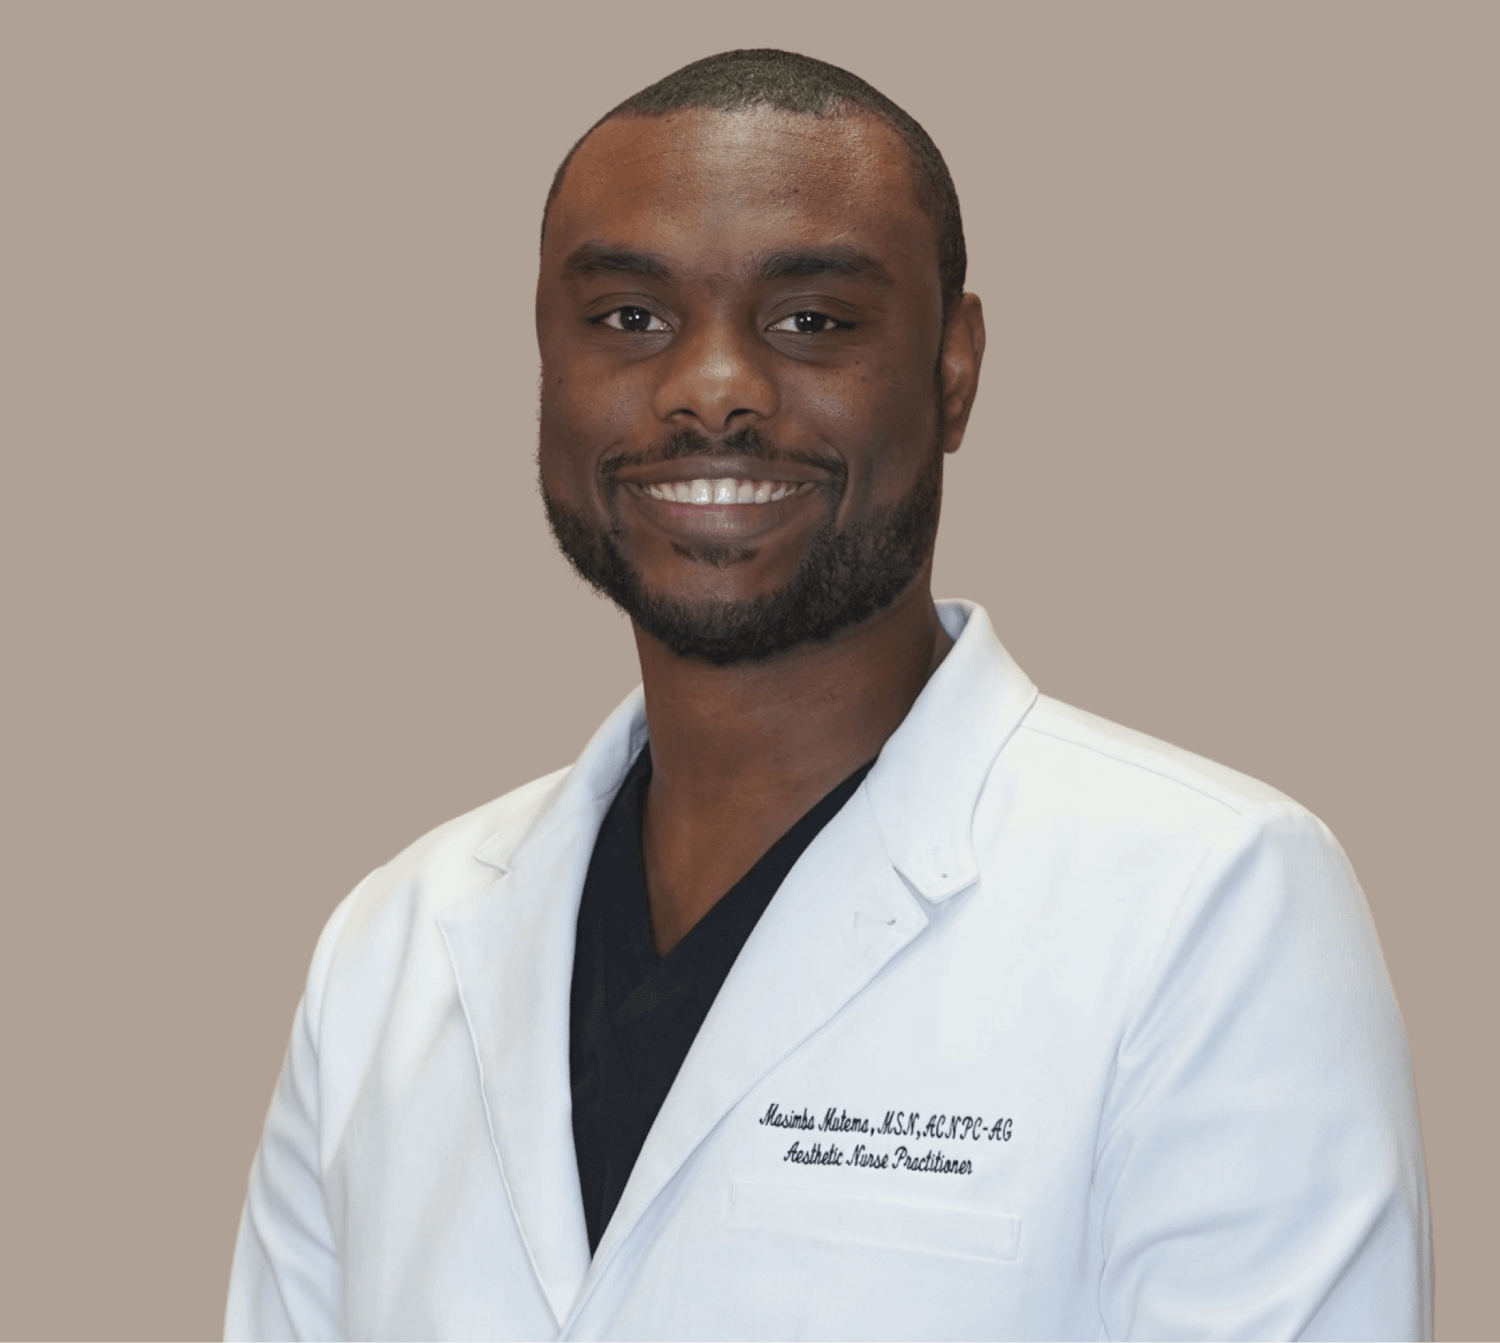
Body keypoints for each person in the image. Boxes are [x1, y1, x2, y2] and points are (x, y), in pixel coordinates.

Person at [225, 49, 1431, 1342]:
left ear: (954, 368)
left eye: (811, 321)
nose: (711, 390)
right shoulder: (389, 948)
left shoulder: (1211, 906)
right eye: (628, 318)